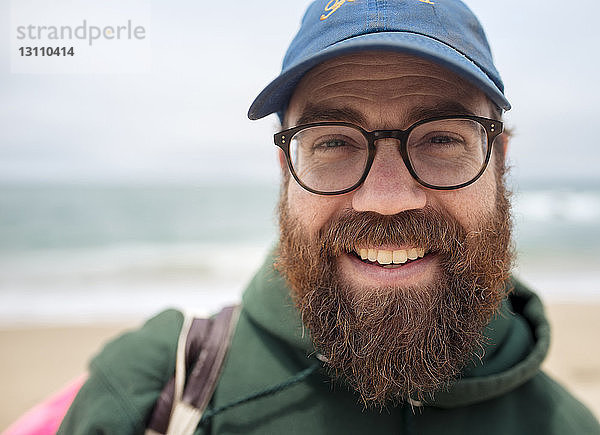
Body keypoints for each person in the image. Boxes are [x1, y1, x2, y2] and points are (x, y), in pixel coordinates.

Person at [59, 0, 600, 433]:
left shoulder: (568, 425)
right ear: (285, 169)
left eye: (440, 138)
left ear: (498, 160)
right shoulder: (153, 393)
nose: (386, 198)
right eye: (335, 142)